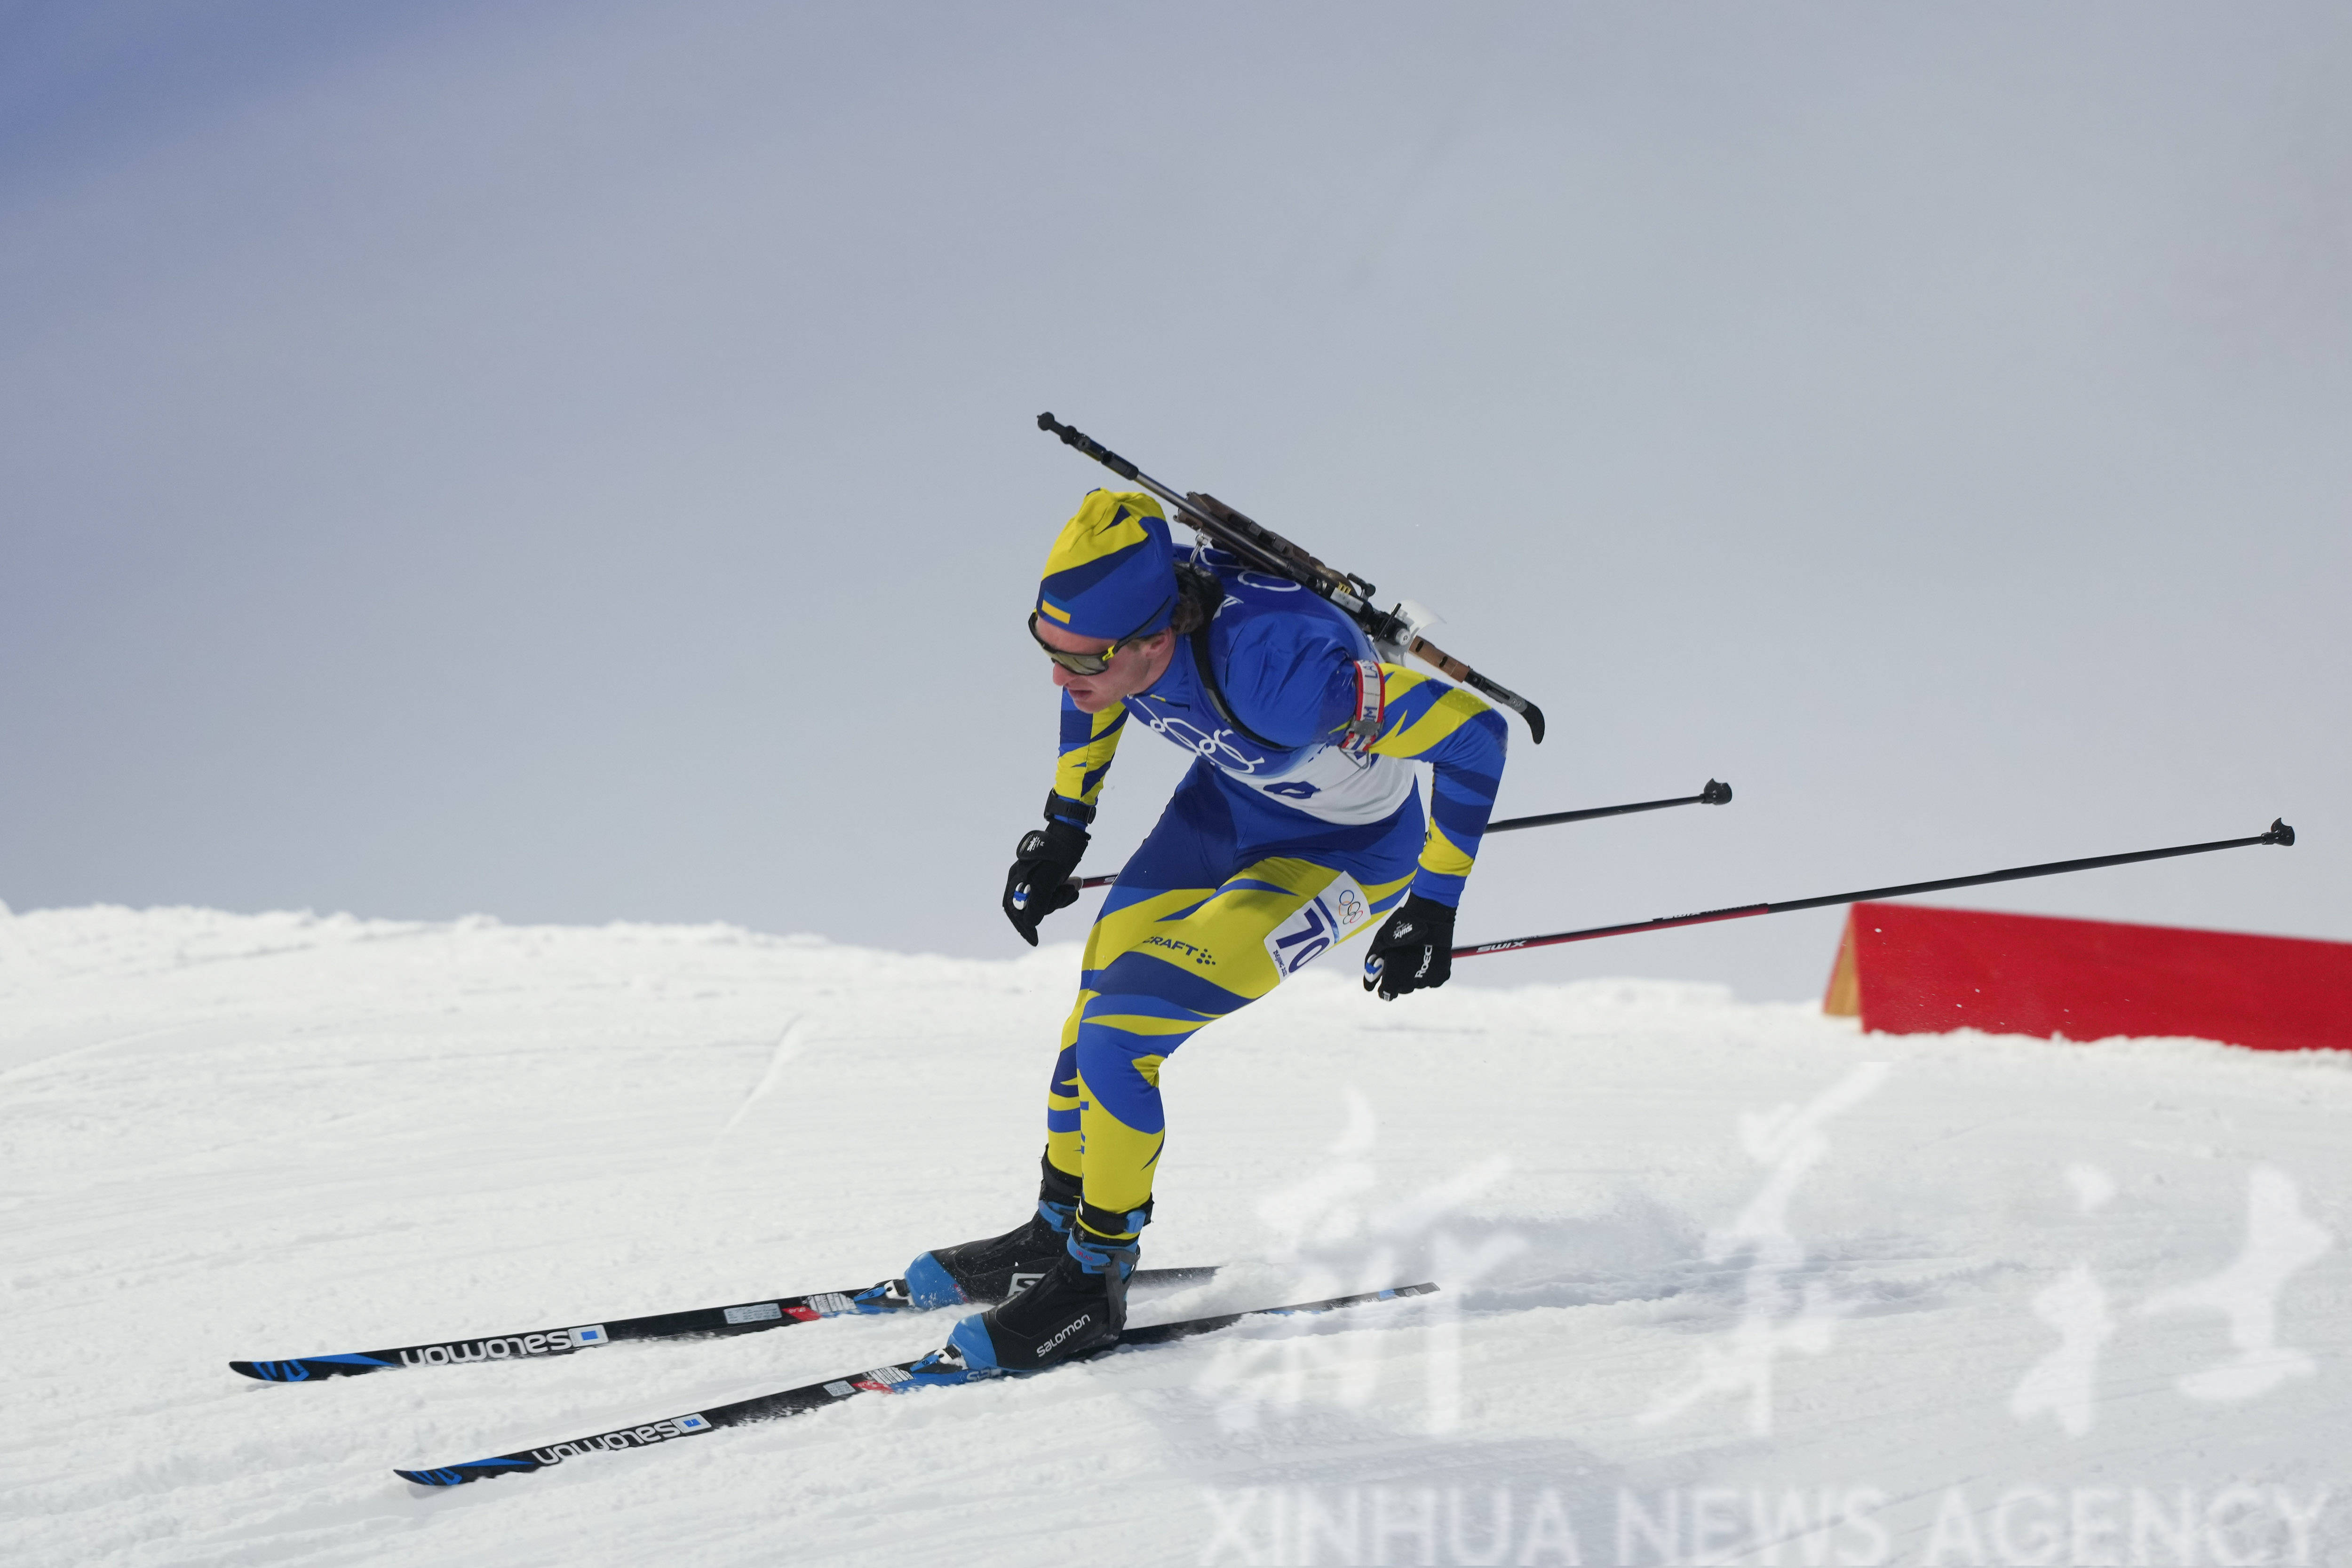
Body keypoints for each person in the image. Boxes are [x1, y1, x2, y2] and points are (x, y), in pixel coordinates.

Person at [906, 488, 1509, 1378]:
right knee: (1095, 1000)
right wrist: (1065, 826)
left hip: (1339, 855)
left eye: (1084, 658)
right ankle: (1055, 1229)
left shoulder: (1283, 672)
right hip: (1222, 810)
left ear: (1157, 640)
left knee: (1123, 1033)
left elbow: (1476, 736)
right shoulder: (1123, 642)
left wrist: (1434, 901)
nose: (1059, 678)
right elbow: (1091, 692)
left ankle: (1093, 1282)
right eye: (1047, 648)